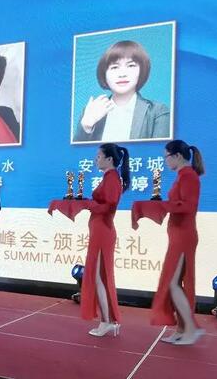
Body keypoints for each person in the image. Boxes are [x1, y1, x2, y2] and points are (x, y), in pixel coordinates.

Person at [151, 140, 205, 345]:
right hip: (177, 234)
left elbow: (188, 206)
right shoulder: (183, 176)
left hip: (184, 236)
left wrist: (165, 206)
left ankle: (191, 329)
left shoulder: (189, 176)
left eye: (166, 156)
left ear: (177, 156)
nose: (165, 161)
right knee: (174, 283)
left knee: (173, 283)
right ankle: (182, 329)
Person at [74, 40, 170, 142]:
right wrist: (86, 126)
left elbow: (159, 150)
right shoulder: (91, 110)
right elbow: (75, 151)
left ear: (142, 70)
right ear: (104, 74)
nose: (122, 74)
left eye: (131, 65)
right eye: (114, 67)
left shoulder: (157, 112)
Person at [81, 143, 130, 337]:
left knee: (99, 276)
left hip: (103, 231)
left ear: (109, 159)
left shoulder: (112, 178)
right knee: (99, 275)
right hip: (99, 229)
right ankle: (108, 320)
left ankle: (107, 321)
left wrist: (89, 205)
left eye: (99, 156)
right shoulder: (110, 177)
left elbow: (109, 206)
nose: (96, 160)